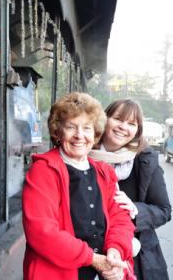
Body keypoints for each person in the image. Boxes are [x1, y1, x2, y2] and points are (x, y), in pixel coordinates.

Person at [22, 92, 135, 280]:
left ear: (95, 133)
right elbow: (42, 232)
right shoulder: (43, 170)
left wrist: (115, 251)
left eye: (87, 128)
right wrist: (92, 258)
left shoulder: (104, 172)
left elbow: (120, 218)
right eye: (71, 127)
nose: (79, 136)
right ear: (58, 132)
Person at [89, 99, 172, 280]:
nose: (123, 127)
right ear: (104, 119)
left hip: (137, 259)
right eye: (118, 118)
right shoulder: (82, 153)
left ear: (137, 130)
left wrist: (135, 209)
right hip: (89, 256)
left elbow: (164, 210)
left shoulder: (145, 161)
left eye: (132, 123)